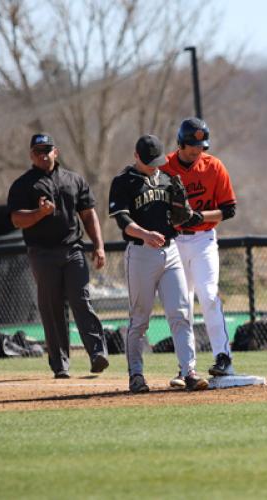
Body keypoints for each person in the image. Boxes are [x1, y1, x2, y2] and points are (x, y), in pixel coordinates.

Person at [108, 134, 209, 393]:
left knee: (181, 313)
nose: (154, 166)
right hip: (141, 254)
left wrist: (187, 213)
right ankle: (137, 376)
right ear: (136, 156)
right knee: (140, 319)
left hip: (171, 251)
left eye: (157, 161)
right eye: (149, 161)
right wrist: (145, 234)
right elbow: (121, 219)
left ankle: (189, 371)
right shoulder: (123, 182)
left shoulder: (166, 179)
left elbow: (179, 218)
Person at [7, 133, 109, 378]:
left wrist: (99, 245)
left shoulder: (73, 180)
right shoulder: (24, 184)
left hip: (73, 249)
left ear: (56, 152)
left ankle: (97, 354)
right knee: (52, 308)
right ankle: (60, 364)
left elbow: (88, 214)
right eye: (38, 151)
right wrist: (39, 213)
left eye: (48, 150)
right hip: (42, 253)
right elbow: (16, 219)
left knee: (81, 299)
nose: (44, 155)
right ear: (32, 155)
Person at [161, 117, 237, 387]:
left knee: (208, 294)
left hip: (204, 238)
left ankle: (223, 357)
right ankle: (187, 369)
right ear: (180, 143)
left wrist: (199, 216)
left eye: (201, 145)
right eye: (192, 145)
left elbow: (228, 209)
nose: (197, 150)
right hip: (175, 242)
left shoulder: (213, 166)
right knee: (182, 305)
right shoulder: (164, 168)